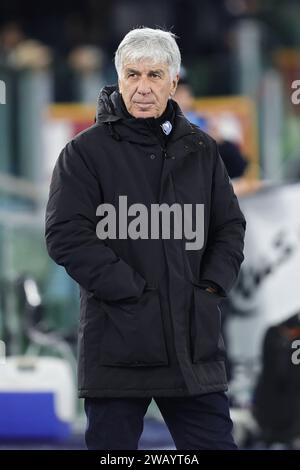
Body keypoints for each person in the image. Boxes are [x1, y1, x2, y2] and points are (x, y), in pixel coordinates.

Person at [45, 27, 246, 450]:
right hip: (118, 343)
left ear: (174, 82)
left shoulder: (203, 150)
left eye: (154, 75)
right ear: (118, 77)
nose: (142, 87)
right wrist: (133, 293)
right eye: (132, 74)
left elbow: (229, 227)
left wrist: (210, 288)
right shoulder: (83, 153)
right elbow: (66, 235)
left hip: (194, 345)